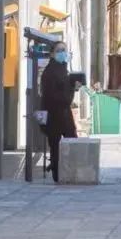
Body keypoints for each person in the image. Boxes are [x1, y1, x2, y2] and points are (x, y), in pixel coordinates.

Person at [39, 41, 78, 182]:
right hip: (54, 115)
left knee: (71, 142)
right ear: (52, 54)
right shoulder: (50, 72)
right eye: (59, 50)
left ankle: (67, 172)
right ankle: (58, 175)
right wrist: (71, 90)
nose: (63, 53)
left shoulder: (62, 69)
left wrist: (73, 85)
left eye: (65, 50)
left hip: (64, 114)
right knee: (56, 146)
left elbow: (65, 90)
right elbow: (54, 95)